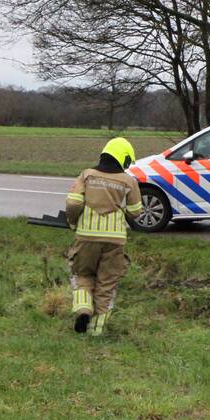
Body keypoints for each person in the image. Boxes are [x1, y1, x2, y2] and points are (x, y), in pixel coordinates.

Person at [65, 137, 143, 336]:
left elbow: (73, 203)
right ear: (123, 159)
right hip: (114, 240)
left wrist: (73, 222)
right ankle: (96, 331)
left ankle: (83, 309)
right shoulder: (129, 181)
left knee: (82, 275)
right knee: (106, 283)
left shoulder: (87, 175)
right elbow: (135, 212)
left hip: (86, 236)